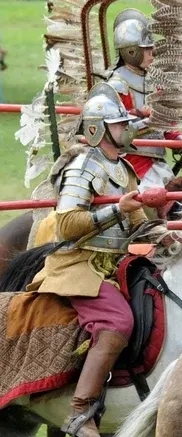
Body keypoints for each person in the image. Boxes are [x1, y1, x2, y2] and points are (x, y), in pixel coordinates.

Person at [25, 85, 163, 437]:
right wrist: (117, 209)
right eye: (119, 124)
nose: (126, 129)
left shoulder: (123, 168)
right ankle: (80, 411)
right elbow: (68, 224)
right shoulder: (84, 166)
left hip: (115, 265)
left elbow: (137, 224)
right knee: (117, 321)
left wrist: (165, 234)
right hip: (78, 265)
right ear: (96, 129)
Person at [103, 9, 182, 194]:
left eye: (151, 48)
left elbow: (166, 125)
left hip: (156, 162)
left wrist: (180, 139)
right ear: (131, 51)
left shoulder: (155, 83)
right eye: (146, 49)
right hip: (129, 162)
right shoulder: (116, 86)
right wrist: (149, 120)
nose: (152, 53)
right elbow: (115, 131)